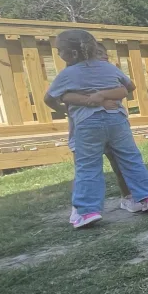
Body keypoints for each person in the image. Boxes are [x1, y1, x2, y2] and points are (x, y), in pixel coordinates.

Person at [44, 29, 148, 228]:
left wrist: (66, 109)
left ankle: (88, 211)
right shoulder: (108, 68)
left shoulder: (67, 74)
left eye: (60, 50)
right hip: (117, 120)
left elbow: (49, 99)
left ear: (72, 54)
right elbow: (129, 86)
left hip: (88, 125)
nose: (58, 54)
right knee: (131, 158)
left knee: (88, 166)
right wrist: (106, 96)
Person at [59, 41, 137, 219]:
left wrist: (106, 95)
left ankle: (129, 196)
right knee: (85, 170)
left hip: (114, 129)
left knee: (121, 165)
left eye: (105, 54)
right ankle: (81, 208)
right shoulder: (73, 78)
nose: (104, 56)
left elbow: (127, 88)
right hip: (85, 133)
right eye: (98, 53)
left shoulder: (109, 75)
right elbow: (64, 97)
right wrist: (99, 101)